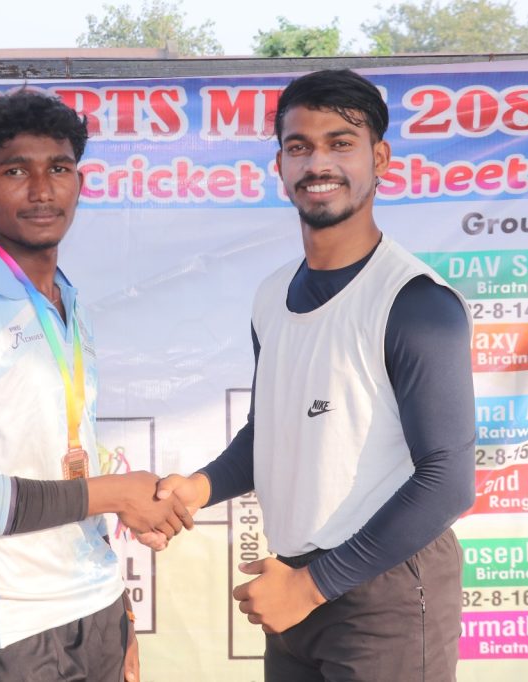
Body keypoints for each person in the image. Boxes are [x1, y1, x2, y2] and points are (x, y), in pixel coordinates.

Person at [148, 69, 476, 681]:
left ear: (380, 158)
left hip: (383, 592)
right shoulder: (272, 296)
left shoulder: (415, 302)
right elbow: (269, 434)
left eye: (340, 143)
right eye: (299, 146)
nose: (318, 163)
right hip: (292, 582)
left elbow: (448, 481)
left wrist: (312, 585)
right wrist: (197, 488)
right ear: (280, 166)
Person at [0, 90, 192, 682]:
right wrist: (117, 493)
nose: (41, 190)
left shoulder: (65, 300)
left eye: (58, 169)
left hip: (95, 608)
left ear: (78, 183)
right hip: (8, 626)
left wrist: (119, 608)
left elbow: (66, 456)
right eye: (15, 172)